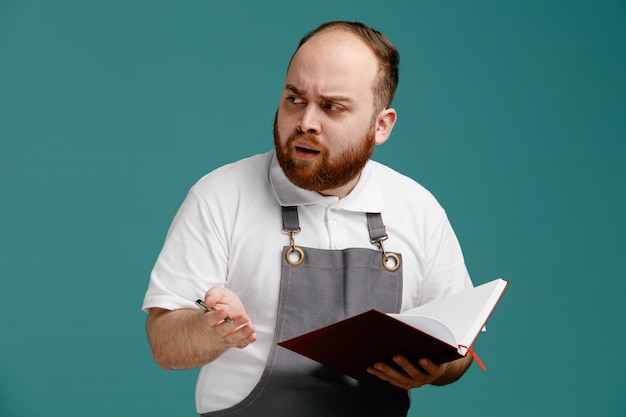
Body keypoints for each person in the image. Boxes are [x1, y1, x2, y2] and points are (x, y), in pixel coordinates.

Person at [143, 21, 474, 417]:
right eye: (295, 100)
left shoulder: (418, 209)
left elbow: (460, 351)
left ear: (380, 125)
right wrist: (210, 329)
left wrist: (434, 365)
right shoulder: (220, 196)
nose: (306, 122)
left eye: (332, 107)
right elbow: (164, 343)